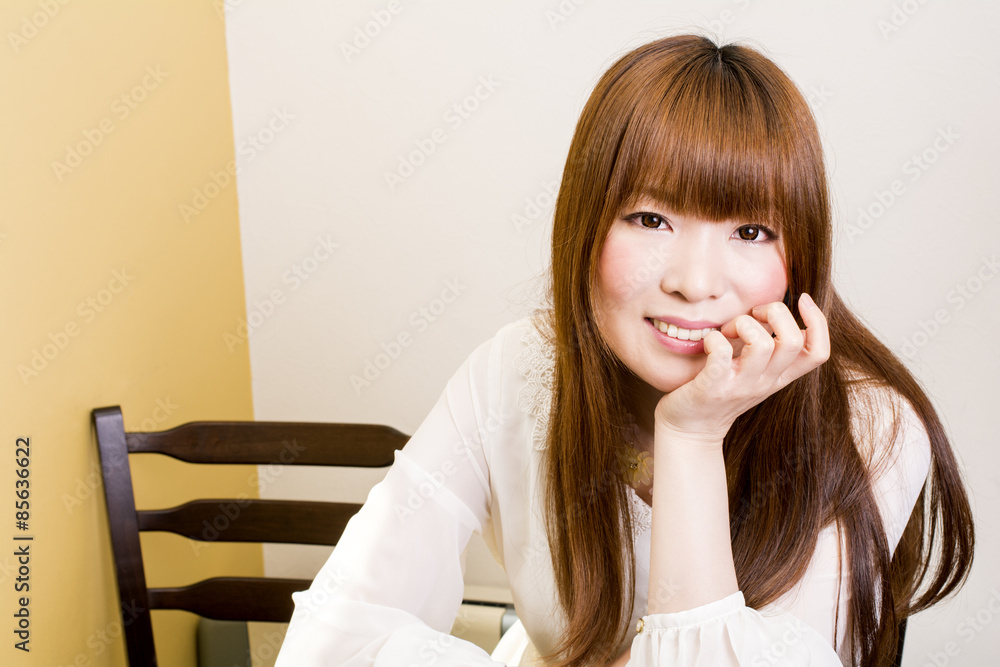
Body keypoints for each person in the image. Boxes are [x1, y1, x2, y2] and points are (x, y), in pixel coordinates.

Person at [274, 34, 974, 666]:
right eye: (651, 218)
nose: (695, 282)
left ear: (803, 253)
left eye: (751, 232)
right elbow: (335, 633)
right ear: (585, 225)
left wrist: (692, 434)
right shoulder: (516, 373)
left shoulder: (870, 426)